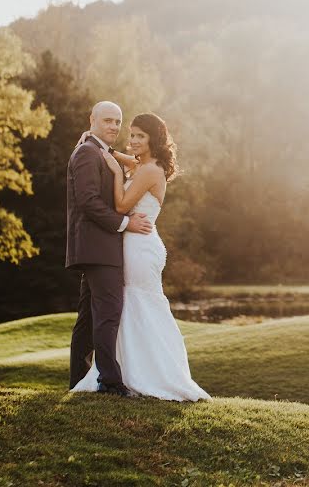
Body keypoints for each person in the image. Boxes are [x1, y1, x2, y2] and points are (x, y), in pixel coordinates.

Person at [70, 112, 210, 401]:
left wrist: (114, 167)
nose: (132, 140)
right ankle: (130, 371)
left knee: (137, 304)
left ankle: (148, 374)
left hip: (139, 244)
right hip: (138, 243)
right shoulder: (146, 165)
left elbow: (121, 205)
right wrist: (102, 148)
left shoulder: (148, 171)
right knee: (132, 306)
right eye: (131, 134)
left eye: (139, 136)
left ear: (153, 140)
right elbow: (129, 159)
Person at [66, 101, 153, 397]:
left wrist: (112, 153)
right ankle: (110, 382)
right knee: (108, 313)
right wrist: (126, 223)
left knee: (89, 318)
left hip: (98, 247)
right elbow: (88, 202)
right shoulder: (87, 154)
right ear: (92, 119)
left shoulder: (97, 151)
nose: (114, 126)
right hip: (98, 246)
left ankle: (79, 380)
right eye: (107, 120)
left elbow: (139, 166)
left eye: (117, 121)